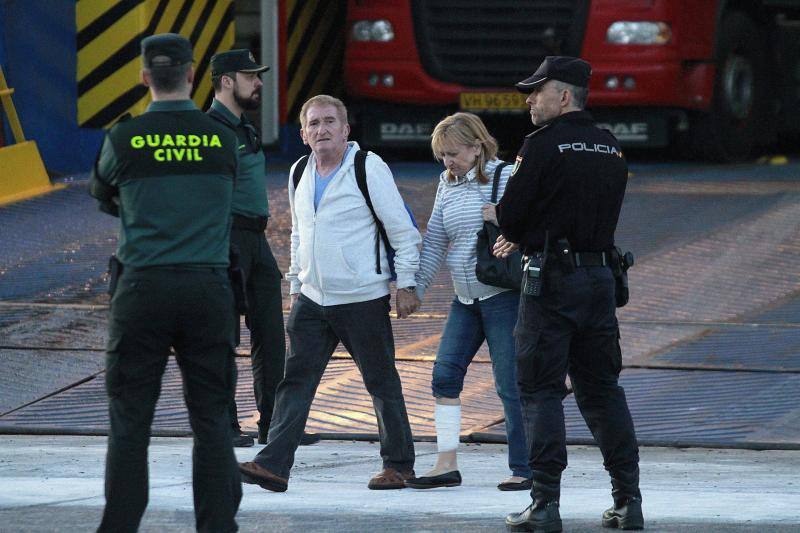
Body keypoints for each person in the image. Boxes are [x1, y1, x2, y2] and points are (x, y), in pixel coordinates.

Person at [89, 33, 241, 532]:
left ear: (143, 77)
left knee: (130, 421)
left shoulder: (123, 139)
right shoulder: (221, 137)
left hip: (142, 290)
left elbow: (104, 193)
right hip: (207, 290)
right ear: (193, 75)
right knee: (212, 420)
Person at [238, 94, 421, 492]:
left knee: (381, 383)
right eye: (314, 124)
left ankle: (399, 466)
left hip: (361, 298)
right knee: (295, 382)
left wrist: (406, 283)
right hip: (312, 299)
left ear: (345, 129)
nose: (322, 129)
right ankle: (273, 465)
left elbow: (403, 231)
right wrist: (296, 285)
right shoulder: (299, 171)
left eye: (329, 122)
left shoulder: (368, 167)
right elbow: (300, 233)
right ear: (303, 134)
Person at [492, 56, 643, 532]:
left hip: (551, 284)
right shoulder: (610, 146)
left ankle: (544, 503)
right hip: (600, 282)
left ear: (564, 96)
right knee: (602, 391)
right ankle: (628, 500)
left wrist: (522, 230)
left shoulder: (541, 145)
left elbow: (511, 217)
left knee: (539, 391)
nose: (530, 100)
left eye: (537, 91)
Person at [403, 113, 532, 491]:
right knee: (444, 376)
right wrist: (415, 290)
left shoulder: (506, 177)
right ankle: (446, 465)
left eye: (453, 154)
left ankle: (524, 468)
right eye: (442, 155)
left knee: (510, 385)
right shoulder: (447, 184)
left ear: (477, 147)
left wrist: (505, 218)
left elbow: (536, 227)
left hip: (502, 297)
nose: (447, 163)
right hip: (464, 300)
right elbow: (435, 243)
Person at [207, 49, 320, 449]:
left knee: (271, 334)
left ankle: (275, 424)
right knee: (221, 336)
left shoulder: (245, 128)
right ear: (225, 81)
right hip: (225, 239)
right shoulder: (211, 131)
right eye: (250, 76)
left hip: (255, 240)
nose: (258, 83)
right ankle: (222, 424)